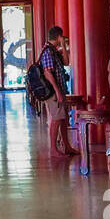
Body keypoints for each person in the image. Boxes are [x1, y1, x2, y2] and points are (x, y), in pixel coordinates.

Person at [40, 25, 76, 157]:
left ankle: (66, 146)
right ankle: (53, 149)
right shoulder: (48, 51)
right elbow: (48, 73)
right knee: (56, 119)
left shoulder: (54, 51)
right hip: (54, 92)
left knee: (62, 118)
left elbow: (66, 62)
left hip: (59, 89)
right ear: (58, 36)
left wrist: (63, 46)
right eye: (61, 37)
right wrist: (57, 91)